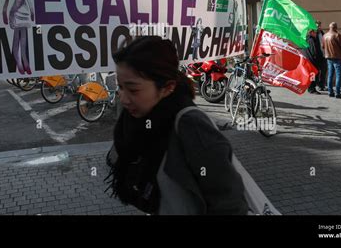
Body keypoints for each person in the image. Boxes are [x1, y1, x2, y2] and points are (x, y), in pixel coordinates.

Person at [105, 36, 248, 215]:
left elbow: (230, 203)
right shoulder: (135, 120)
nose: (124, 99)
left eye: (133, 90)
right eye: (120, 87)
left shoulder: (192, 127)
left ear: (167, 87)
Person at [2, 0, 35, 75]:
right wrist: (4, 14)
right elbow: (7, 0)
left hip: (21, 14)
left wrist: (32, 12)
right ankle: (21, 64)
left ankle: (24, 63)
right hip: (17, 14)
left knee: (22, 42)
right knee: (18, 41)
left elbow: (29, 2)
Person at [322, 22, 341, 99]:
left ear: (329, 27)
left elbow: (323, 46)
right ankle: (338, 93)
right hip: (337, 57)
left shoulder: (325, 35)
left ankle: (330, 92)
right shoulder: (337, 35)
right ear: (335, 27)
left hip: (328, 57)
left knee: (330, 74)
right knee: (338, 75)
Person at [303, 29, 322, 94]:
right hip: (312, 60)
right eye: (315, 33)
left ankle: (310, 88)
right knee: (313, 76)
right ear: (311, 33)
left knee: (311, 75)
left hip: (308, 59)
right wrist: (318, 59)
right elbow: (314, 51)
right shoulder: (311, 40)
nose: (316, 34)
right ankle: (311, 89)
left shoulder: (306, 39)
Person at [315, 21, 327, 90]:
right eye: (317, 26)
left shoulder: (322, 33)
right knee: (316, 72)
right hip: (316, 56)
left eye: (319, 26)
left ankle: (322, 85)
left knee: (323, 71)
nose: (318, 27)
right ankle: (316, 85)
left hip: (323, 55)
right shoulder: (313, 34)